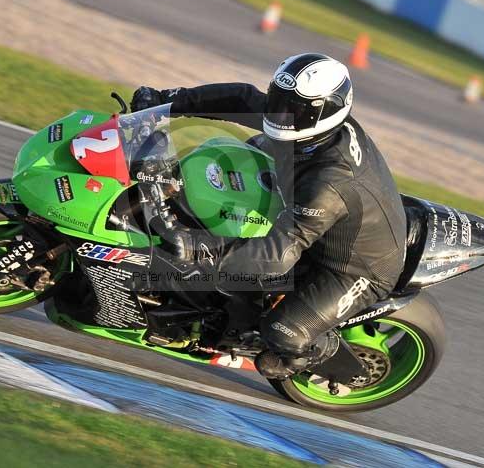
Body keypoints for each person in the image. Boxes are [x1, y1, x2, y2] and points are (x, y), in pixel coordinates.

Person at [130, 53, 407, 379]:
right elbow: (242, 98)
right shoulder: (302, 124)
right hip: (304, 202)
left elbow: (278, 254)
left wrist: (198, 248)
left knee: (282, 332)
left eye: (294, 109)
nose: (280, 113)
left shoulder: (329, 183)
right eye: (279, 100)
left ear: (326, 111)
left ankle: (310, 354)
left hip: (354, 268)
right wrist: (166, 102)